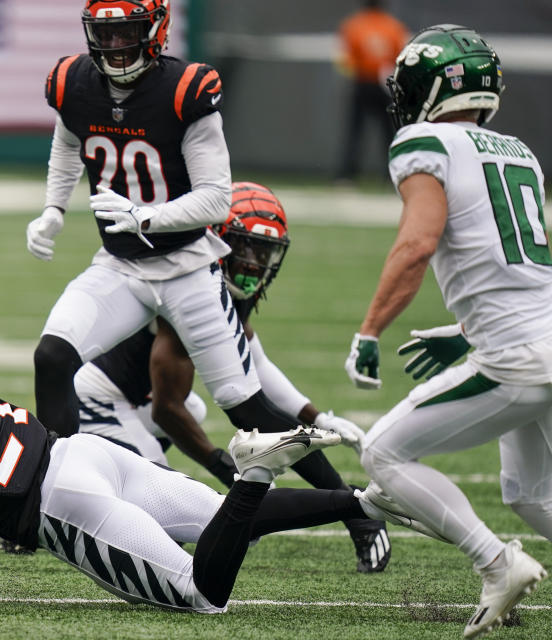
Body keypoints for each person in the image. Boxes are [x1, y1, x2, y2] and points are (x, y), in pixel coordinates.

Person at [0, 335, 434, 612]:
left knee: (204, 595)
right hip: (87, 452)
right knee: (223, 523)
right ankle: (362, 502)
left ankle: (254, 470)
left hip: (61, 507)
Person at [344, 25, 550, 639]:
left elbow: (416, 245)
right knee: (529, 493)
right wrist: (465, 331)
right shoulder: (517, 150)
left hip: (518, 355)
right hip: (543, 333)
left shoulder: (422, 140)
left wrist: (370, 330)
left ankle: (497, 563)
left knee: (382, 452)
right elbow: (517, 266)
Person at [75, 182, 390, 572]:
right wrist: (225, 468)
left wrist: (318, 417)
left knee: (195, 411)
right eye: (246, 246)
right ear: (218, 240)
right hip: (98, 399)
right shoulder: (187, 287)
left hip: (137, 398)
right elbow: (166, 410)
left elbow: (254, 363)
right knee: (170, 512)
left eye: (264, 250)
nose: (255, 261)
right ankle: (52, 506)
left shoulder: (219, 287)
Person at [335, 0, 408, 183]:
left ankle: (347, 175)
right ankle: (393, 174)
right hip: (385, 85)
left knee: (356, 132)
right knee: (389, 132)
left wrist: (356, 73)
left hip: (362, 82)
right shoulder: (393, 26)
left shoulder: (353, 25)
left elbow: (345, 59)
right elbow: (401, 56)